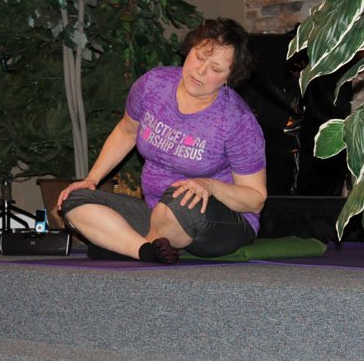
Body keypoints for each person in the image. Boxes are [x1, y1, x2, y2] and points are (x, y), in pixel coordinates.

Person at [57, 17, 267, 264]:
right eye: (199, 57)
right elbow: (126, 131)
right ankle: (146, 250)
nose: (201, 70)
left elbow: (255, 199)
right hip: (156, 212)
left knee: (179, 201)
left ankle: (122, 244)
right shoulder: (153, 84)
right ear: (190, 50)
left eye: (215, 69)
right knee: (74, 199)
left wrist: (209, 186)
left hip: (217, 221)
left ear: (229, 78)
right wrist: (91, 179)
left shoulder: (237, 120)